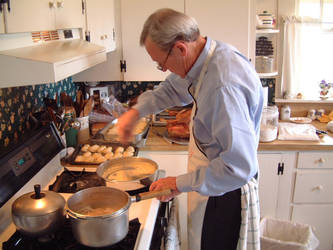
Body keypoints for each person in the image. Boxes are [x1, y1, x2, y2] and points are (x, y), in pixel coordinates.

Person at [117, 8, 264, 250]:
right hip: (212, 180)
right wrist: (135, 112)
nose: (163, 70)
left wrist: (179, 183)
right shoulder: (204, 58)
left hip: (225, 192)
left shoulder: (223, 87)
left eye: (161, 64)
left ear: (180, 49)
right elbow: (171, 90)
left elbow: (237, 167)